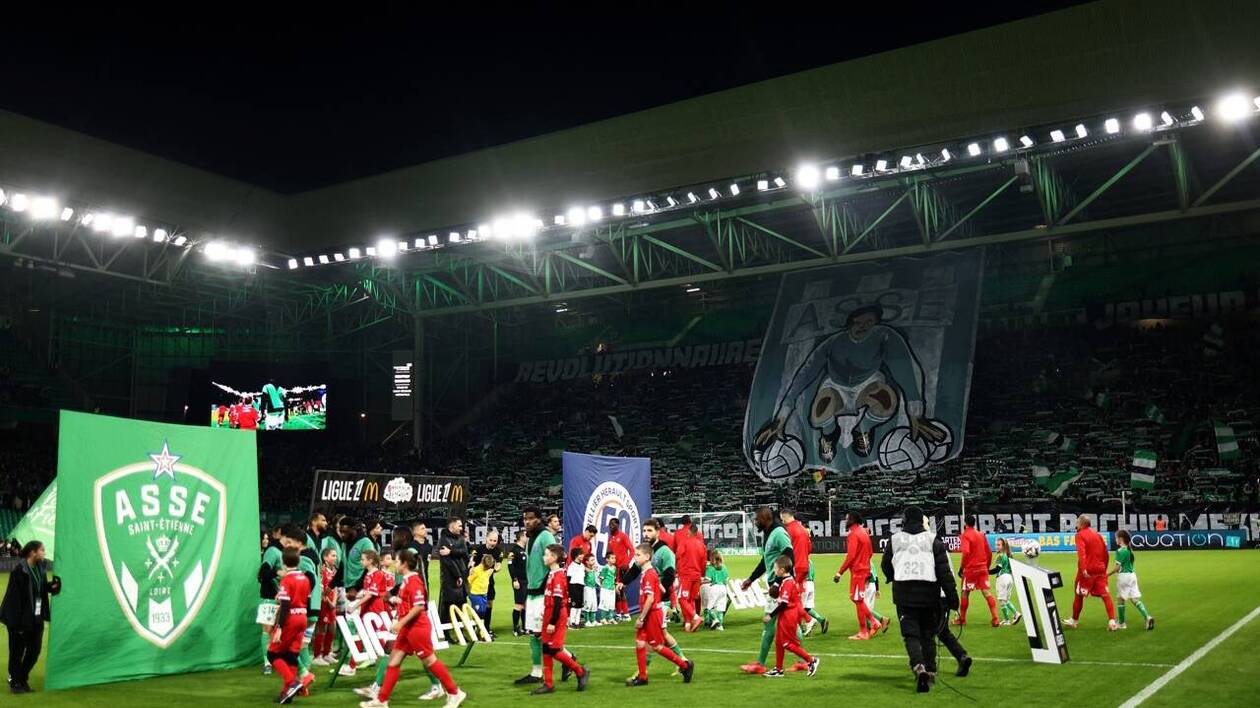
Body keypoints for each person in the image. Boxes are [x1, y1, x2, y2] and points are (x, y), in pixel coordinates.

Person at [358, 550, 466, 708]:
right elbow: (408, 602)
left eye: (396, 561)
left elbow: (419, 606)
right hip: (408, 628)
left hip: (417, 628)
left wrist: (400, 623)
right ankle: (381, 701)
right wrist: (396, 600)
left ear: (404, 563)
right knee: (393, 662)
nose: (395, 564)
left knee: (430, 661)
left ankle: (455, 693)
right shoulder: (406, 580)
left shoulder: (414, 580)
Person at [880, 506, 960, 693]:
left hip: (904, 594)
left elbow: (885, 565)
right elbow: (944, 572)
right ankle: (931, 671)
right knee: (927, 634)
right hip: (929, 594)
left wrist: (895, 576)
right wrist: (952, 597)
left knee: (911, 635)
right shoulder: (933, 540)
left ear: (905, 520)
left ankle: (919, 667)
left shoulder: (896, 539)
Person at [626, 542, 695, 686]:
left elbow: (650, 598)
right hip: (651, 612)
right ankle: (643, 677)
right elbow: (662, 590)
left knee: (656, 646)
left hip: (651, 615)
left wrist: (641, 618)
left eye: (638, 555)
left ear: (647, 556)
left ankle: (684, 665)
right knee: (640, 643)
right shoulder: (650, 573)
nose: (635, 557)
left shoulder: (649, 574)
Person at [1, 540, 60, 694]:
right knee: (17, 653)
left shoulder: (40, 567)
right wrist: (16, 626)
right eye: (42, 550)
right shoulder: (19, 571)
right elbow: (14, 599)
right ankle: (15, 683)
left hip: (36, 617)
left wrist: (50, 587)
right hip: (20, 620)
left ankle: (22, 678)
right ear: (32, 552)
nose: (44, 553)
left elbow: (38, 587)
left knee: (35, 651)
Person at [531, 544, 590, 694]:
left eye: (546, 555)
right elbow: (544, 594)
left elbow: (558, 602)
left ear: (554, 558)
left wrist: (552, 621)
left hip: (556, 615)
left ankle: (580, 671)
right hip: (549, 612)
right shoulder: (551, 574)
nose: (544, 557)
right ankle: (548, 684)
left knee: (554, 650)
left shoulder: (558, 576)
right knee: (546, 648)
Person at [740, 507, 793, 673]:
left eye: (757, 519)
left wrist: (778, 583)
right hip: (777, 584)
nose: (756, 522)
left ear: (765, 518)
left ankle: (761, 664)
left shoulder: (778, 532)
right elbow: (766, 561)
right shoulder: (770, 533)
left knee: (769, 623)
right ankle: (803, 661)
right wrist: (751, 579)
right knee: (791, 626)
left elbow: (790, 554)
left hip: (779, 586)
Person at [515, 506, 557, 685]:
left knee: (543, 635)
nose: (527, 521)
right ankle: (536, 671)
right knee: (533, 634)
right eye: (525, 518)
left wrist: (546, 586)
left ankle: (570, 661)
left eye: (531, 518)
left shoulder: (546, 535)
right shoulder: (531, 537)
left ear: (539, 519)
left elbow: (554, 560)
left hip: (542, 592)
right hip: (531, 592)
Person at [279, 524, 321, 694]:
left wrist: (300, 595)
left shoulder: (303, 558)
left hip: (304, 609)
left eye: (289, 542)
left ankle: (303, 676)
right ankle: (302, 683)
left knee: (290, 647)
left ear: (299, 542)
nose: (286, 546)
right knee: (302, 646)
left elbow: (311, 579)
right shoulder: (312, 556)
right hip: (312, 608)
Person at [765, 555, 821, 678]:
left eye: (775, 568)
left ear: (782, 570)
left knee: (786, 643)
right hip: (786, 614)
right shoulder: (787, 580)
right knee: (779, 642)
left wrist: (770, 615)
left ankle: (811, 661)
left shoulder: (788, 583)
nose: (774, 570)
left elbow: (784, 603)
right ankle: (778, 669)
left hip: (788, 615)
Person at [268, 547, 311, 704]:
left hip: (291, 618)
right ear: (299, 561)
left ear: (283, 562)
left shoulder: (286, 579)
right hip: (303, 617)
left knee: (273, 654)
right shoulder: (305, 578)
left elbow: (285, 604)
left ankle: (292, 682)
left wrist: (279, 627)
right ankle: (287, 693)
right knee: (291, 655)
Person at [1063, 516, 1118, 631]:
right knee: (1105, 595)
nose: (1076, 524)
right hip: (1100, 569)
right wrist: (1104, 568)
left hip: (1087, 571)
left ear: (1082, 524)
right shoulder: (1097, 534)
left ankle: (1074, 620)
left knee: (1079, 595)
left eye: (1077, 522)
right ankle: (1112, 621)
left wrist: (1083, 569)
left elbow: (1081, 553)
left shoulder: (1079, 535)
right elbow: (1106, 553)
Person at [834, 512, 881, 639]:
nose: (845, 520)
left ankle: (866, 629)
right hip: (865, 570)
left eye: (847, 518)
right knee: (857, 599)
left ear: (852, 520)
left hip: (858, 572)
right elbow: (871, 553)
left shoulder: (853, 534)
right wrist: (864, 563)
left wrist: (840, 572)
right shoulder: (863, 533)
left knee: (857, 599)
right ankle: (871, 624)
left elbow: (851, 556)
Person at [780, 508, 825, 634]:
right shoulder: (803, 530)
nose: (782, 521)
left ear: (785, 517)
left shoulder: (788, 530)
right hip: (805, 567)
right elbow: (809, 549)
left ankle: (807, 620)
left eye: (782, 518)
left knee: (791, 597)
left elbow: (785, 549)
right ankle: (801, 625)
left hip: (794, 567)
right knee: (796, 596)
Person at [955, 515, 999, 627]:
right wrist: (986, 566)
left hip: (971, 569)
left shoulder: (965, 535)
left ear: (965, 523)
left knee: (965, 592)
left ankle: (962, 619)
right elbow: (989, 552)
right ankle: (995, 618)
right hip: (982, 568)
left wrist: (961, 567)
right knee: (987, 592)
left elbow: (965, 553)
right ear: (974, 523)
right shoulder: (980, 534)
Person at [1109, 529, 1155, 630]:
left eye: (1116, 538)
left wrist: (1107, 574)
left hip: (1124, 577)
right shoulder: (1130, 550)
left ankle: (1121, 623)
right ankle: (1147, 617)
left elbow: (1117, 568)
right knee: (1134, 599)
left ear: (1121, 539)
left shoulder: (1120, 551)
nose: (1115, 540)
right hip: (1132, 575)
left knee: (1120, 600)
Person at [437, 518, 470, 638]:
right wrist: (457, 575)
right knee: (448, 605)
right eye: (459, 526)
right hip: (449, 577)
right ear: (452, 526)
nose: (461, 528)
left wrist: (451, 551)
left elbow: (465, 553)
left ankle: (461, 631)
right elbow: (447, 561)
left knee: (461, 604)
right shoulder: (444, 539)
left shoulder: (460, 538)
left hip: (462, 575)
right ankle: (446, 633)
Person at [259, 525, 285, 675]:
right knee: (267, 630)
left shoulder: (283, 552)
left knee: (278, 630)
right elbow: (264, 571)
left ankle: (275, 659)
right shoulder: (272, 551)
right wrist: (278, 572)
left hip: (282, 599)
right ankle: (267, 662)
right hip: (270, 598)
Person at [470, 530, 503, 633]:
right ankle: (476, 626)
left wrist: (497, 568)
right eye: (491, 540)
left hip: (489, 582)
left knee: (489, 604)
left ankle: (486, 628)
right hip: (477, 583)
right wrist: (471, 566)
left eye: (495, 541)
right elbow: (472, 561)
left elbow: (498, 565)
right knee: (478, 606)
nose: (493, 542)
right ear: (486, 539)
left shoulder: (498, 551)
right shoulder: (478, 549)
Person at [677, 521, 707, 633]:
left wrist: (678, 571)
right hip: (697, 575)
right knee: (691, 600)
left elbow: (678, 557)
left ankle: (695, 618)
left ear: (689, 531)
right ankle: (688, 625)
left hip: (686, 575)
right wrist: (702, 575)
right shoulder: (702, 545)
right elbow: (704, 562)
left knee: (682, 599)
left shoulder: (684, 542)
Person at [312, 546, 340, 665]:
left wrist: (334, 602)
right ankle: (317, 656)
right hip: (324, 604)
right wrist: (329, 602)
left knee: (332, 629)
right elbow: (321, 590)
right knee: (321, 628)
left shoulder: (334, 571)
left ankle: (326, 653)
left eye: (335, 555)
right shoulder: (321, 571)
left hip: (332, 604)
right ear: (325, 557)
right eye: (333, 555)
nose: (335, 557)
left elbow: (336, 588)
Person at [605, 517, 635, 621]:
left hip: (622, 567)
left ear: (618, 525)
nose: (611, 526)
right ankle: (618, 614)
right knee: (616, 591)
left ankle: (626, 614)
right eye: (610, 524)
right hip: (614, 569)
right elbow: (609, 553)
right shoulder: (611, 538)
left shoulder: (623, 536)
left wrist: (626, 563)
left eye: (613, 524)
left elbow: (632, 550)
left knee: (621, 590)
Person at [990, 539, 1022, 626]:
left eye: (999, 545)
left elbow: (997, 569)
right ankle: (1014, 615)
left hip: (1003, 578)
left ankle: (1007, 619)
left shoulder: (1000, 556)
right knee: (1005, 599)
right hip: (1010, 578)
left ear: (1003, 546)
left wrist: (986, 571)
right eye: (996, 544)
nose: (996, 546)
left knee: (1001, 600)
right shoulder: (1008, 555)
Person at [507, 530, 529, 635]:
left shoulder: (525, 550)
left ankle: (525, 627)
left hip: (526, 580)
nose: (528, 538)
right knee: (518, 605)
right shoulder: (514, 550)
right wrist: (514, 579)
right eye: (526, 536)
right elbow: (510, 566)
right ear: (521, 537)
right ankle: (515, 629)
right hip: (519, 581)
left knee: (525, 604)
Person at [702, 550, 730, 630]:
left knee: (710, 608)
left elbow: (708, 580)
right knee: (720, 609)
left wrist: (700, 581)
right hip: (723, 589)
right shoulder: (724, 567)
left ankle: (715, 620)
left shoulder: (710, 568)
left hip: (715, 588)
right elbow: (726, 580)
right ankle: (720, 626)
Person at [469, 554, 496, 622]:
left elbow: (494, 568)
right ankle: (475, 628)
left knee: (483, 612)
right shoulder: (476, 570)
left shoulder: (489, 570)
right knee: (478, 613)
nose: (487, 568)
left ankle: (480, 629)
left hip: (484, 594)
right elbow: (469, 581)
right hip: (475, 594)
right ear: (482, 562)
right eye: (486, 566)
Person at [409, 522, 434, 596]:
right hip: (414, 580)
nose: (425, 530)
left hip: (425, 579)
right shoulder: (411, 547)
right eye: (422, 528)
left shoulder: (429, 546)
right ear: (415, 532)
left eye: (425, 528)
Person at [566, 548, 586, 627]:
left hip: (581, 586)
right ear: (575, 556)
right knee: (574, 605)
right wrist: (568, 589)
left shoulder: (582, 566)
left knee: (579, 605)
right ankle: (572, 622)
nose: (582, 556)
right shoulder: (572, 566)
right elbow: (568, 578)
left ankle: (577, 622)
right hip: (573, 586)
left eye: (582, 554)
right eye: (580, 554)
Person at [597, 553, 617, 624]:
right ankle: (603, 618)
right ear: (607, 559)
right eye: (612, 558)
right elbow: (601, 578)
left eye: (614, 558)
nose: (614, 559)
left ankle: (610, 618)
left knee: (611, 603)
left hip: (612, 588)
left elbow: (614, 578)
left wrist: (614, 585)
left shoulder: (614, 568)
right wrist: (603, 586)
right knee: (604, 603)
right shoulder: (605, 568)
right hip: (605, 588)